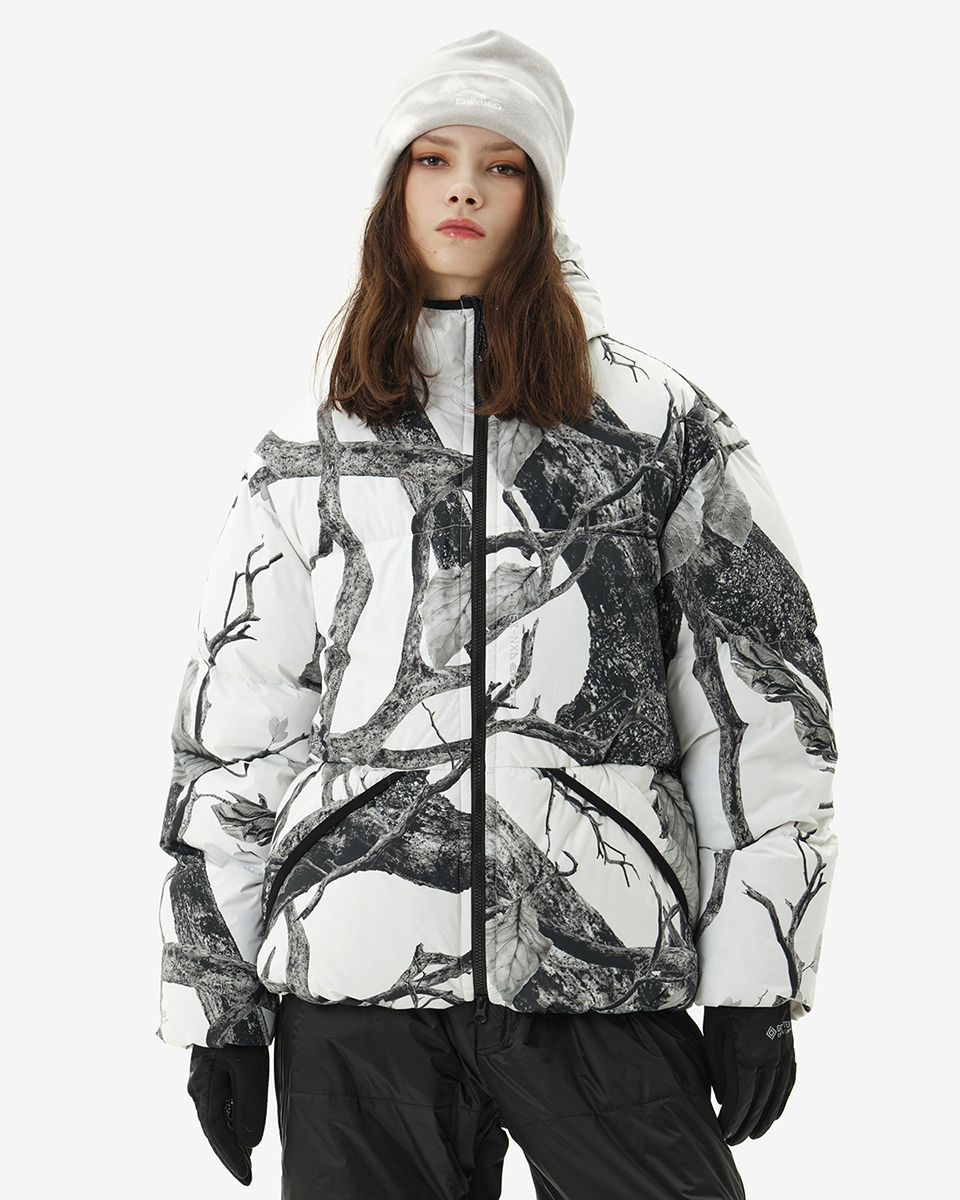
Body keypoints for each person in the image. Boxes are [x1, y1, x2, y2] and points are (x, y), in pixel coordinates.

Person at [158, 29, 838, 1200]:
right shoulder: (316, 443)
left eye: (502, 164)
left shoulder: (659, 427)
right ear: (395, 190)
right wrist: (219, 1004)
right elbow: (240, 731)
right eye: (433, 159)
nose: (465, 188)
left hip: (596, 965)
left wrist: (758, 973)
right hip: (357, 976)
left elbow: (761, 708)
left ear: (542, 193)